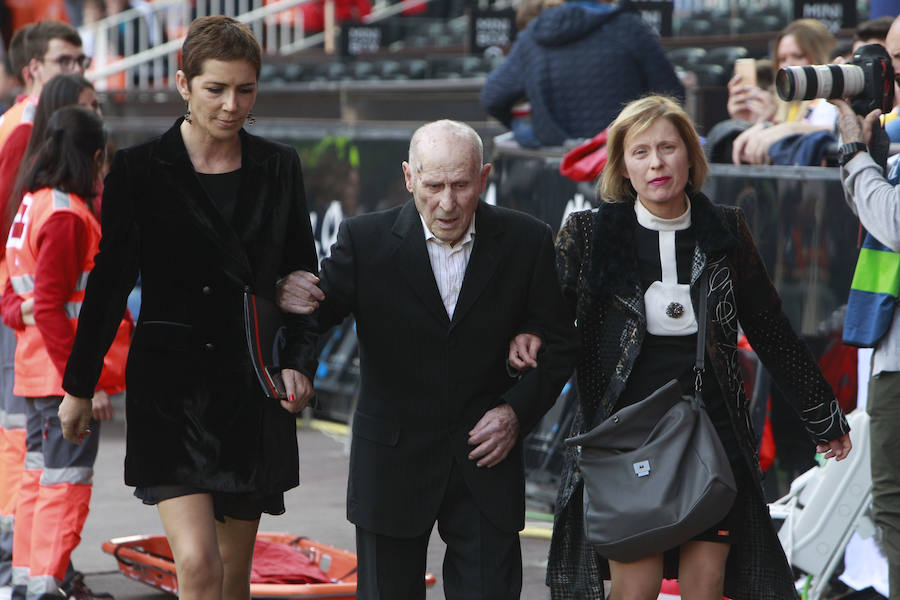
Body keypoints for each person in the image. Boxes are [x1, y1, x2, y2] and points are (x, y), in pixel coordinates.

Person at [541, 95, 851, 600]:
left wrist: (823, 415)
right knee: (634, 589)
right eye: (640, 152)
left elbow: (770, 328)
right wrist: (507, 404)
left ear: (690, 155)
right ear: (622, 165)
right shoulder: (589, 234)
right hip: (625, 442)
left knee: (706, 587)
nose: (656, 163)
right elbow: (549, 333)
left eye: (668, 147)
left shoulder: (725, 229)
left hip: (711, 435)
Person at [57, 15, 319, 600]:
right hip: (171, 393)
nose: (231, 104)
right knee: (198, 566)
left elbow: (302, 279)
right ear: (183, 84)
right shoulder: (139, 170)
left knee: (230, 577)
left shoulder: (278, 167)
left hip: (250, 388)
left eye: (245, 89)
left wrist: (300, 361)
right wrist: (79, 385)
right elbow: (108, 285)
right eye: (216, 88)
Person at [276, 119, 578, 598]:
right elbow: (314, 316)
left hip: (486, 462)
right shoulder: (364, 240)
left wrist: (516, 414)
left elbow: (560, 342)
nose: (447, 202)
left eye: (461, 185)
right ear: (408, 177)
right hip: (391, 464)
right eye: (433, 185)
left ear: (484, 178)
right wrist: (297, 367)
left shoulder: (527, 240)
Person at [1, 105, 126, 600]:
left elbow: (18, 298)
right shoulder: (66, 216)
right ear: (95, 157)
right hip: (59, 382)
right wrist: (85, 383)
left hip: (36, 376)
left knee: (39, 481)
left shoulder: (31, 204)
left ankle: (27, 585)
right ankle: (44, 587)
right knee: (64, 485)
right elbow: (52, 305)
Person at [832, 16, 900, 598]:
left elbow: (897, 224)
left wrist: (857, 154)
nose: (887, 71)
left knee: (896, 511)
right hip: (890, 352)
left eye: (898, 59)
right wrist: (869, 154)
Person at [480, 0, 683, 147]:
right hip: (619, 162)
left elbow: (492, 97)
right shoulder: (629, 27)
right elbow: (672, 96)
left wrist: (533, 128)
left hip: (554, 165)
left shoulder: (533, 35)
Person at [730, 19, 838, 164]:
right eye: (782, 59)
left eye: (798, 56)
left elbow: (839, 134)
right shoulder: (774, 105)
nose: (788, 65)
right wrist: (747, 122)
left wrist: (791, 129)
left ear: (820, 56)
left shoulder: (833, 99)